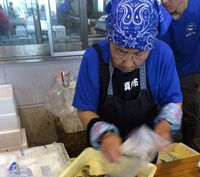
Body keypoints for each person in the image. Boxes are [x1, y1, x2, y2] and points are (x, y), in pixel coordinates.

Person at [73, 0, 183, 163]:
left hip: (144, 156)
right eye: (121, 51)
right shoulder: (93, 58)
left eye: (139, 54)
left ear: (150, 46)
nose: (128, 63)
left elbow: (174, 101)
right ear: (109, 38)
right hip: (104, 155)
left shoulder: (162, 54)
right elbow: (84, 110)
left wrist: (165, 125)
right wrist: (105, 134)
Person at [160, 0, 200, 151]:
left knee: (191, 113)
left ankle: (188, 146)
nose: (164, 1)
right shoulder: (157, 13)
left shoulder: (197, 9)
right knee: (166, 116)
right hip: (165, 75)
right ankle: (169, 151)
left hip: (191, 73)